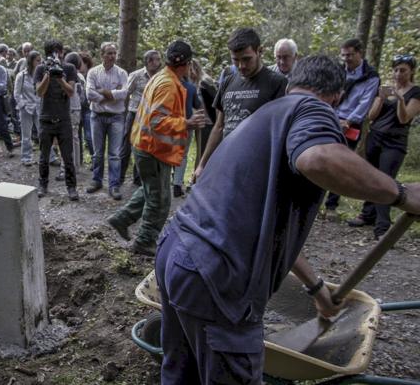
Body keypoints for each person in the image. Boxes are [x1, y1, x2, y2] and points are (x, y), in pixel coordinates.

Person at [156, 55, 420, 384]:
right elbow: (318, 159)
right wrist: (403, 193)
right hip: (216, 272)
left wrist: (317, 287)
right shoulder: (312, 109)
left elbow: (271, 229)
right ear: (337, 95)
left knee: (182, 374)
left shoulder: (265, 116)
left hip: (176, 252)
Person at [107, 40, 206, 256]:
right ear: (187, 64)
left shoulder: (163, 78)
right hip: (152, 149)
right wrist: (186, 123)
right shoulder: (168, 85)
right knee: (159, 199)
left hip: (147, 146)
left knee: (151, 188)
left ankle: (122, 219)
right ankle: (144, 242)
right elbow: (157, 121)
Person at [194, 28, 287, 180]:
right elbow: (219, 127)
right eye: (235, 60)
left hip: (257, 169)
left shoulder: (277, 83)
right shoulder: (228, 82)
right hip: (227, 162)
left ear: (259, 51)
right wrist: (202, 164)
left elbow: (279, 131)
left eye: (246, 59)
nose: (241, 66)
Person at [347, 55, 420, 238]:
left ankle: (383, 228)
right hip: (376, 137)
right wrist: (380, 98)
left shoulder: (416, 93)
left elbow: (404, 118)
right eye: (395, 70)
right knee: (370, 177)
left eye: (402, 70)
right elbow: (371, 116)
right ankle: (367, 215)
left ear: (411, 71)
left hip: (395, 142)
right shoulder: (386, 89)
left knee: (385, 181)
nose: (398, 74)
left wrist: (400, 100)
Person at [324, 38, 380, 215]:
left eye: (350, 55)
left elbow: (365, 102)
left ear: (359, 53)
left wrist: (348, 121)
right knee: (322, 157)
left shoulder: (370, 76)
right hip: (331, 115)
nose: (346, 59)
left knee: (341, 164)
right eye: (344, 55)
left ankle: (331, 204)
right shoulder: (338, 71)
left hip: (351, 122)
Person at [34, 39, 79, 201]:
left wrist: (59, 76)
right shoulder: (40, 68)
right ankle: (43, 185)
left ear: (62, 52)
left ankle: (71, 188)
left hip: (64, 119)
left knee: (68, 157)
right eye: (52, 52)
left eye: (58, 51)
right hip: (46, 118)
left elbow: (70, 92)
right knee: (44, 156)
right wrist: (48, 73)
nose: (56, 55)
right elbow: (40, 92)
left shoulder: (69, 68)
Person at [86, 42, 129, 200]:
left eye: (114, 53)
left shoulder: (122, 73)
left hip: (116, 117)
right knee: (97, 153)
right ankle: (97, 180)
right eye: (109, 53)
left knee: (114, 154)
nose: (112, 56)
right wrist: (111, 96)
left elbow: (125, 93)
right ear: (102, 55)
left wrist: (103, 93)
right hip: (97, 116)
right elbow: (89, 94)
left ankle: (114, 185)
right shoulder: (93, 72)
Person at [119, 49, 162, 187]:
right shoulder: (136, 75)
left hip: (149, 117)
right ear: (149, 61)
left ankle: (138, 179)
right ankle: (119, 176)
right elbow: (126, 93)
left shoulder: (159, 77)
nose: (159, 63)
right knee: (126, 145)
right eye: (157, 59)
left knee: (143, 147)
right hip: (134, 114)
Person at [173, 59, 203, 198]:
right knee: (183, 155)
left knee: (168, 153)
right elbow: (198, 105)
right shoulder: (190, 88)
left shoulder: (169, 85)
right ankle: (177, 185)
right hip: (187, 124)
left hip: (171, 124)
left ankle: (167, 182)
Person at [54, 52, 86, 180]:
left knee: (65, 139)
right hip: (77, 109)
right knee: (75, 138)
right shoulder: (81, 77)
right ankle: (76, 166)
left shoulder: (66, 75)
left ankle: (66, 169)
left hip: (68, 108)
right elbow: (83, 97)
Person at [15, 50, 43, 166]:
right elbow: (16, 93)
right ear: (31, 61)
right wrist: (23, 105)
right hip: (26, 108)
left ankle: (49, 157)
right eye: (38, 61)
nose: (40, 63)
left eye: (40, 61)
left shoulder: (42, 75)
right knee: (26, 135)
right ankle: (26, 158)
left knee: (43, 134)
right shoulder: (21, 75)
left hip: (39, 107)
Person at [79, 52, 95, 159]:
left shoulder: (91, 74)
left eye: (80, 63)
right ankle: (78, 158)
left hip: (88, 109)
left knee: (89, 136)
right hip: (77, 109)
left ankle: (94, 159)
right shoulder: (74, 74)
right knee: (77, 136)